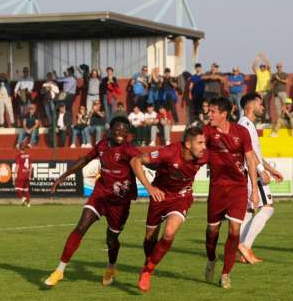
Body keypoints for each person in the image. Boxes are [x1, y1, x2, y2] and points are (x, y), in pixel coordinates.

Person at [45, 117, 141, 287]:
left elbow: (147, 161)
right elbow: (85, 160)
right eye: (118, 129)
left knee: (112, 239)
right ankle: (59, 270)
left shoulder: (129, 150)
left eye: (125, 130)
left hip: (120, 201)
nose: (121, 133)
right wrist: (62, 177)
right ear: (111, 130)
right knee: (81, 226)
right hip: (100, 194)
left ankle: (111, 266)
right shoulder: (102, 145)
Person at [133, 127, 208, 292]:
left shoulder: (204, 156)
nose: (204, 146)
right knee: (149, 238)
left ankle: (148, 270)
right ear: (188, 144)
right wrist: (149, 188)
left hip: (181, 198)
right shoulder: (168, 152)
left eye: (205, 142)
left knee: (169, 232)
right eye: (200, 143)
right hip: (160, 195)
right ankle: (148, 262)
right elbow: (135, 161)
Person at [203, 97, 259, 289]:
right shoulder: (207, 132)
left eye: (213, 111)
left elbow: (251, 159)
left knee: (235, 230)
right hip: (217, 188)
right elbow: (196, 151)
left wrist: (255, 191)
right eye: (208, 111)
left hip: (238, 188)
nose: (209, 114)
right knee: (212, 231)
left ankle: (226, 273)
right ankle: (211, 259)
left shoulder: (241, 132)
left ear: (223, 114)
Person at [238, 93, 283, 264]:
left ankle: (242, 251)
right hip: (252, 173)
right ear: (250, 105)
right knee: (268, 208)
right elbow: (249, 155)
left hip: (253, 171)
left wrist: (271, 170)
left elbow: (256, 153)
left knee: (248, 212)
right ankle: (245, 246)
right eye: (260, 103)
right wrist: (261, 171)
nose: (263, 107)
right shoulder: (245, 125)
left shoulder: (248, 124)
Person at [252, 53, 272, 121]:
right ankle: (259, 118)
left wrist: (264, 58)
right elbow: (253, 67)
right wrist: (257, 59)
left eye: (264, 66)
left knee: (266, 105)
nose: (262, 67)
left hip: (267, 91)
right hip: (259, 91)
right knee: (258, 105)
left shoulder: (268, 72)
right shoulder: (259, 72)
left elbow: (269, 65)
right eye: (261, 66)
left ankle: (267, 118)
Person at [12, 141, 31, 207]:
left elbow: (17, 166)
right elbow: (30, 166)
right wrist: (30, 175)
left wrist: (14, 174)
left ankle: (23, 198)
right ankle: (28, 204)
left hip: (20, 175)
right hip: (27, 175)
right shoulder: (28, 155)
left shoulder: (18, 156)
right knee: (26, 189)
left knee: (17, 189)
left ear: (19, 148)